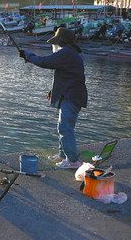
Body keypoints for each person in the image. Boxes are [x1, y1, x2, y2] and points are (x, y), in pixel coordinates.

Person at [19, 28, 87, 169]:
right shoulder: (71, 53)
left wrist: (28, 55)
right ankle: (63, 155)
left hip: (72, 96)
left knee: (65, 128)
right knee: (63, 127)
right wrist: (53, 90)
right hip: (69, 94)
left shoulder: (66, 53)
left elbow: (45, 62)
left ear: (61, 41)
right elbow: (67, 75)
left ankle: (73, 161)